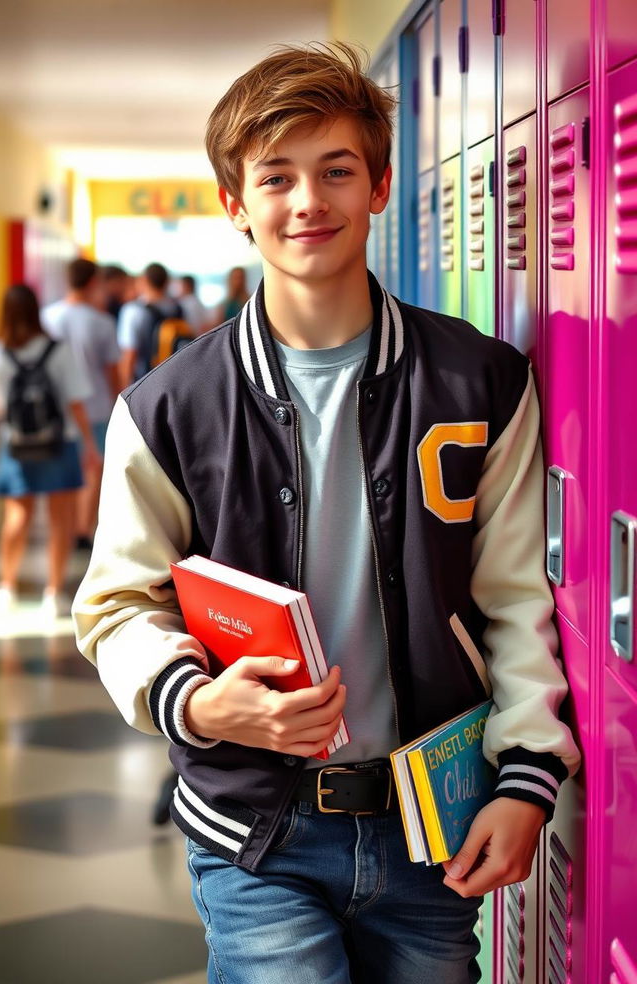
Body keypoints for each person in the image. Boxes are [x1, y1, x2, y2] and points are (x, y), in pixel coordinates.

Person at [73, 43, 580, 984]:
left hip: (432, 824)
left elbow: (515, 600)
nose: (308, 201)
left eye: (336, 170)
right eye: (276, 178)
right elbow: (116, 607)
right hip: (256, 831)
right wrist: (198, 701)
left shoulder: (478, 381)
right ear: (235, 206)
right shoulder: (168, 407)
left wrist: (528, 778)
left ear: (381, 185)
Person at [0, 284, 99, 618]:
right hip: (60, 441)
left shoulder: (1, 353)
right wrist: (88, 444)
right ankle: (53, 593)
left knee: (17, 516)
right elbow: (75, 402)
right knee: (61, 521)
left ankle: (7, 587)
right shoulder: (57, 350)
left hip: (17, 444)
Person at [42, 258, 120, 550]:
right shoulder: (102, 322)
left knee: (65, 469)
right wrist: (118, 403)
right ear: (92, 283)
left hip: (56, 409)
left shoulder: (47, 317)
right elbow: (112, 371)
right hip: (95, 405)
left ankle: (65, 525)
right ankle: (82, 531)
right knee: (92, 469)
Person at [117, 262, 182, 387]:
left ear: (144, 280)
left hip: (145, 381)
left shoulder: (133, 310)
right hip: (174, 379)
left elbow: (130, 354)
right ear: (166, 282)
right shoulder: (178, 308)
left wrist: (124, 390)